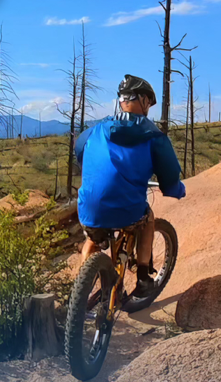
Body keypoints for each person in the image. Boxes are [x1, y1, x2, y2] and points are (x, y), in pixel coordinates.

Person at [75, 74, 186, 295]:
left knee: (93, 238)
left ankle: (81, 293)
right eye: (149, 103)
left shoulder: (93, 131)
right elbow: (170, 177)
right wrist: (176, 190)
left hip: (89, 208)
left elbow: (80, 155)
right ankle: (143, 278)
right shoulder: (154, 136)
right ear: (142, 100)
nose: (149, 108)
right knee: (147, 218)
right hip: (127, 209)